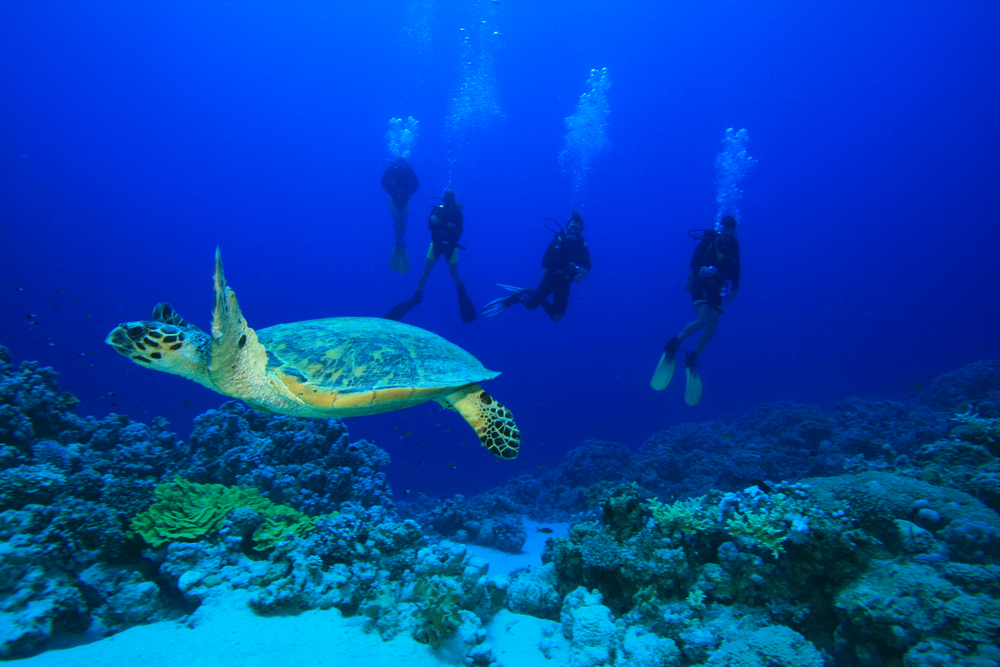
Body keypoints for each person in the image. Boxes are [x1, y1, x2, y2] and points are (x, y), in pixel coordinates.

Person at [651, 215, 741, 406]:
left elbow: (736, 267)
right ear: (720, 228)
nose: (726, 235)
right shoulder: (709, 241)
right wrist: (701, 270)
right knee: (703, 319)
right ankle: (674, 344)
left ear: (734, 231)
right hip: (700, 283)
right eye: (725, 231)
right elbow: (694, 261)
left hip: (718, 287)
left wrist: (735, 287)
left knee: (713, 324)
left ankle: (694, 358)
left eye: (730, 232)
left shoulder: (734, 245)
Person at [385, 188, 477, 323]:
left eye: (450, 200)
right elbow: (430, 225)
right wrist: (447, 225)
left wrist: (441, 225)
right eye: (445, 199)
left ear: (453, 200)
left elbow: (459, 230)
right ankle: (417, 296)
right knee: (425, 272)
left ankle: (462, 291)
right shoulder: (436, 209)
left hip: (450, 247)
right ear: (443, 199)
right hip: (436, 245)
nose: (447, 202)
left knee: (454, 275)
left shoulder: (457, 213)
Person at [481, 210, 591, 322]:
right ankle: (519, 296)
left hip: (565, 283)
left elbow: (588, 263)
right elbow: (555, 258)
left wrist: (585, 272)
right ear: (567, 226)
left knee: (557, 317)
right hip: (551, 278)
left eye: (576, 228)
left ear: (581, 230)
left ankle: (532, 292)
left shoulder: (582, 244)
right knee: (531, 306)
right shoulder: (560, 238)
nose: (573, 230)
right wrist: (574, 268)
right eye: (571, 227)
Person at [381, 156, 420, 273]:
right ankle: (398, 240)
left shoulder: (409, 170)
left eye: (403, 162)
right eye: (399, 161)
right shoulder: (391, 170)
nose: (401, 164)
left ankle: (399, 240)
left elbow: (416, 184)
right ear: (396, 161)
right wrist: (391, 193)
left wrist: (408, 194)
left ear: (405, 162)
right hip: (394, 199)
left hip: (405, 199)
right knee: (396, 222)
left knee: (403, 223)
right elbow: (383, 182)